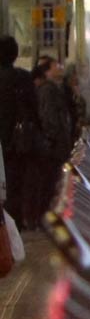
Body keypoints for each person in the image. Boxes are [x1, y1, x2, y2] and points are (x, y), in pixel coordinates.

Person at [26, 59, 71, 229]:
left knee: (50, 183)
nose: (59, 68)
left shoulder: (54, 89)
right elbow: (49, 117)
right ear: (47, 71)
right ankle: (43, 219)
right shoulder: (48, 90)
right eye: (55, 66)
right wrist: (52, 138)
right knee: (48, 184)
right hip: (53, 147)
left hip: (55, 146)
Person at [0, 37, 28, 227]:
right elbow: (34, 110)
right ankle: (15, 222)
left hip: (2, 139)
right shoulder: (23, 78)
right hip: (19, 141)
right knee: (17, 182)